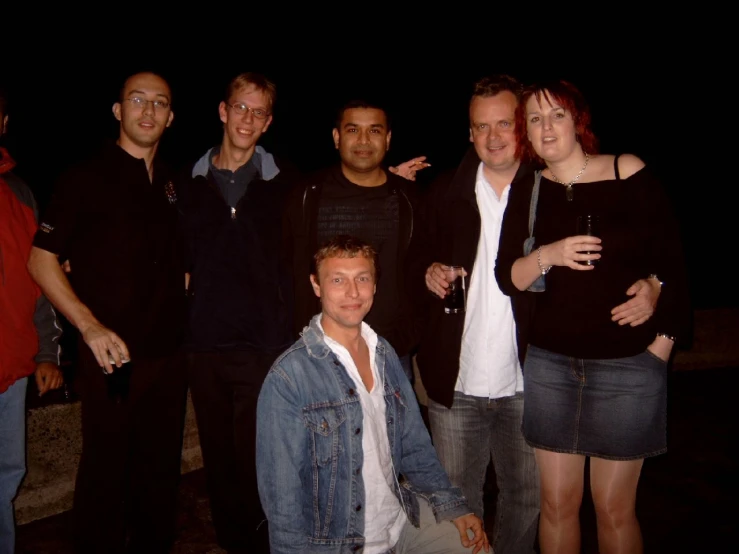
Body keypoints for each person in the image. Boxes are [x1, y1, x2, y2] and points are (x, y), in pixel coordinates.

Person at [411, 75, 662, 554]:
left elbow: (638, 248)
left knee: (531, 504)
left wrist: (654, 291)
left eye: (504, 122)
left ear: (520, 130)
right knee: (453, 505)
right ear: (469, 133)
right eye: (480, 126)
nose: (493, 136)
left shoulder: (546, 186)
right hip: (457, 382)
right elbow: (412, 258)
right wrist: (426, 270)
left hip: (532, 380)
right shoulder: (444, 191)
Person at [494, 79, 690, 554]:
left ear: (577, 121)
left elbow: (674, 264)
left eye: (556, 115)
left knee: (613, 506)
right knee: (557, 503)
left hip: (628, 365)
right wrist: (551, 254)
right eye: (534, 119)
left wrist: (658, 339)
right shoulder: (529, 187)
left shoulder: (627, 172)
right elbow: (509, 277)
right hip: (551, 366)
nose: (546, 127)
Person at [28, 71, 187, 553]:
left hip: (169, 354)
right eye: (137, 100)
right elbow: (41, 259)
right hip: (111, 357)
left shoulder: (172, 182)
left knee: (160, 475)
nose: (148, 110)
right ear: (118, 110)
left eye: (159, 103)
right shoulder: (84, 176)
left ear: (170, 117)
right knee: (104, 475)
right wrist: (89, 326)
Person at [256, 234, 489, 554]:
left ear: (375, 285)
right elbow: (281, 497)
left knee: (472, 548)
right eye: (338, 280)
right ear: (316, 286)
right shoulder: (289, 377)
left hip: (398, 522)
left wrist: (454, 506)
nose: (353, 292)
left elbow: (414, 445)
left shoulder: (384, 354)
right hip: (336, 542)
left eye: (362, 278)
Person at [285, 99, 424, 382]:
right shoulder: (305, 195)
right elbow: (289, 269)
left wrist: (409, 334)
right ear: (337, 138)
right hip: (322, 354)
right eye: (352, 130)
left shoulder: (411, 199)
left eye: (374, 131)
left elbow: (422, 267)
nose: (363, 140)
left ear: (387, 139)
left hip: (391, 352)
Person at [0, 84, 63, 554]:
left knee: (7, 477)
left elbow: (41, 279)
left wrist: (46, 352)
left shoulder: (19, 193)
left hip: (14, 367)